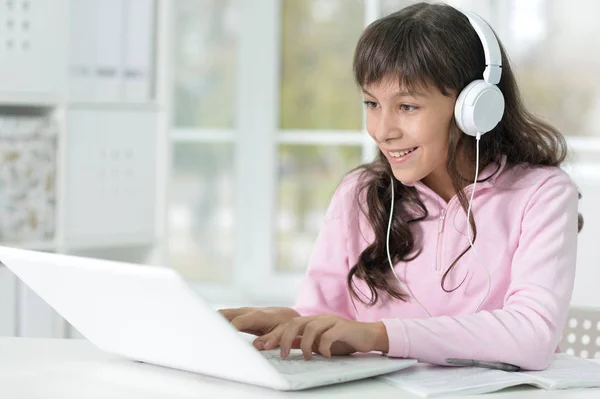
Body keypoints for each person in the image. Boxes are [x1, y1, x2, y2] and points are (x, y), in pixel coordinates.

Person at [220, 2, 583, 370]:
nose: (382, 130)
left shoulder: (543, 195)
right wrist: (296, 324)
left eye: (407, 106)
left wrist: (380, 334)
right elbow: (327, 318)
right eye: (372, 103)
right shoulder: (359, 193)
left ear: (474, 108)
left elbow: (532, 335)